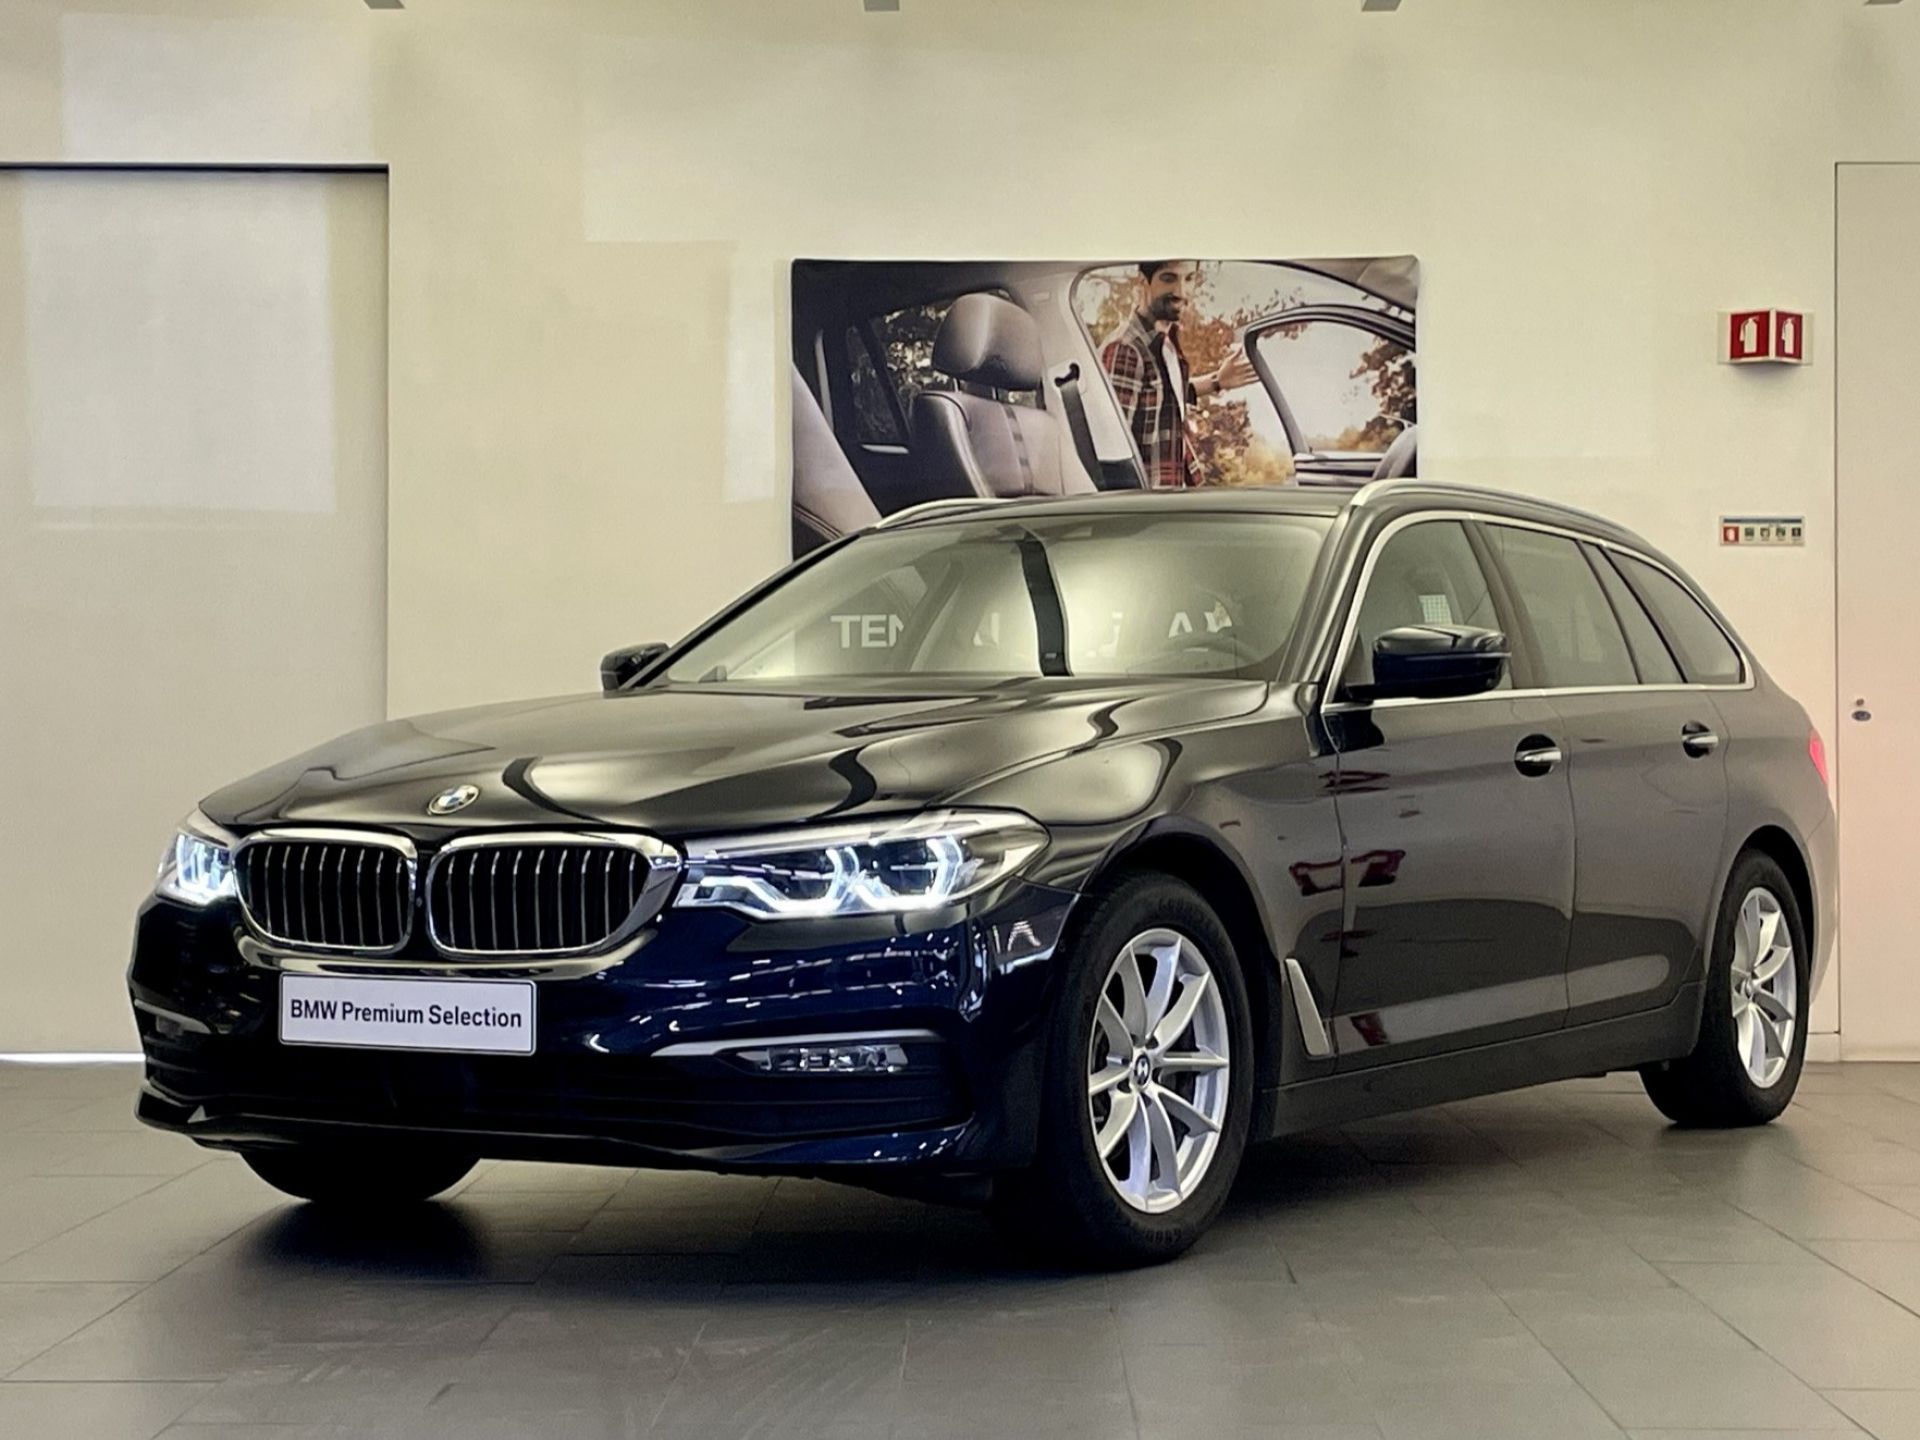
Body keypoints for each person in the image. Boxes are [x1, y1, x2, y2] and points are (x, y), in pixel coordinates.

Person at [1099, 261, 1259, 488]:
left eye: (1189, 279)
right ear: (1143, 283)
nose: (1181, 292)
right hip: (1149, 509)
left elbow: (1163, 398)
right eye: (1168, 278)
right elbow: (1113, 450)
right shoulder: (1126, 349)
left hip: (1174, 498)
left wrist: (1217, 382)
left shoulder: (1164, 341)